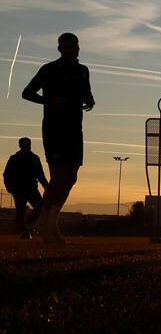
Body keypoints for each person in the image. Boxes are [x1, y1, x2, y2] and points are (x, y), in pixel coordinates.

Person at [21, 33, 94, 244]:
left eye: (75, 46)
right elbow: (27, 93)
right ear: (60, 49)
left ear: (79, 48)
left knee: (71, 177)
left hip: (75, 128)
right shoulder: (49, 69)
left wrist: (90, 99)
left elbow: (86, 92)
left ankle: (50, 220)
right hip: (54, 128)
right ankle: (45, 221)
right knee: (59, 175)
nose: (73, 50)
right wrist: (50, 101)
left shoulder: (82, 70)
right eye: (68, 47)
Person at [3, 138, 48, 240]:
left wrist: (47, 188)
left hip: (32, 188)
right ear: (20, 145)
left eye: (28, 144)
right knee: (20, 212)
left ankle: (26, 225)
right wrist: (10, 188)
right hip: (18, 190)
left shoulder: (35, 158)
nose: (28, 146)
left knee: (40, 207)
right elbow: (7, 175)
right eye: (25, 144)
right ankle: (24, 232)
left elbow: (40, 175)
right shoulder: (14, 158)